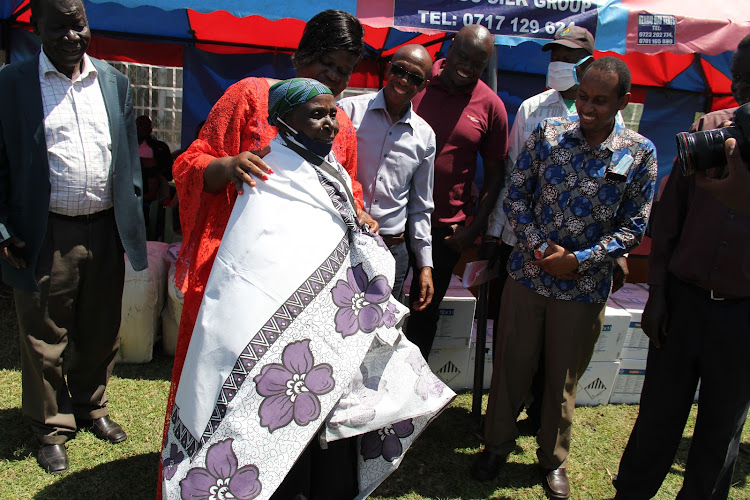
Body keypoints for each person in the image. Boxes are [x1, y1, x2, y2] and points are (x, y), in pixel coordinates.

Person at [160, 78, 452, 500]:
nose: (331, 124)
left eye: (333, 113)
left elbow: (335, 231)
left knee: (325, 439)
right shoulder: (268, 168)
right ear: (283, 119)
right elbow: (254, 258)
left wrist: (360, 224)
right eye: (317, 114)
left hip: (326, 334)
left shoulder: (328, 165)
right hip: (276, 328)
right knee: (277, 448)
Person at [160, 8, 376, 492]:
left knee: (294, 384)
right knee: (233, 383)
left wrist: (359, 214)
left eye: (345, 71)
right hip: (243, 279)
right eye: (327, 65)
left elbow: (348, 188)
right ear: (300, 55)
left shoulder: (338, 122)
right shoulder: (250, 97)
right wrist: (228, 165)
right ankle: (218, 474)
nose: (336, 80)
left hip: (308, 286)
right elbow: (192, 162)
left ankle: (289, 476)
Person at [473, 57, 657, 499]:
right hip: (528, 277)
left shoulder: (639, 152)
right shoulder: (548, 134)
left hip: (584, 287)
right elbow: (516, 197)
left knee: (562, 378)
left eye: (600, 101)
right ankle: (496, 445)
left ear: (623, 102)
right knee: (512, 366)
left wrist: (579, 259)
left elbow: (634, 226)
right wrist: (541, 250)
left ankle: (551, 459)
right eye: (582, 97)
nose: (587, 109)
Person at [0, 0, 147, 474]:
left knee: (101, 329)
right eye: (58, 26)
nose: (71, 36)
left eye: (78, 25)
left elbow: (126, 155)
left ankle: (90, 407)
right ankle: (51, 426)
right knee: (44, 335)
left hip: (105, 227)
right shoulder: (11, 83)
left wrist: (131, 206)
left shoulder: (113, 81)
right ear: (35, 26)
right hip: (45, 231)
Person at [614, 35, 750, 500]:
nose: (745, 91)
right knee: (657, 415)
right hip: (684, 304)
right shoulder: (711, 130)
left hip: (742, 317)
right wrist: (657, 295)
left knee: (720, 429)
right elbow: (669, 220)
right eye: (742, 79)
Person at [485, 25, 628, 434]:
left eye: (568, 58)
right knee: (516, 353)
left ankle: (544, 430)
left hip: (584, 273)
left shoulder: (629, 145)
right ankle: (500, 433)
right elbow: (515, 177)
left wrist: (590, 259)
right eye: (555, 56)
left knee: (561, 364)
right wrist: (505, 239)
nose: (558, 65)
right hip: (527, 255)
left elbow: (627, 214)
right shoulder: (535, 112)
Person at [407, 24, 509, 359]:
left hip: (445, 230)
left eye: (478, 63)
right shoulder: (415, 81)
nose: (467, 66)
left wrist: (474, 231)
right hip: (395, 220)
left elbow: (496, 176)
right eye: (462, 56)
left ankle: (412, 389)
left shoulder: (491, 106)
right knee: (382, 302)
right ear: (449, 48)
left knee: (425, 308)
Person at [338, 44, 436, 304]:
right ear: (389, 68)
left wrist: (425, 265)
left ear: (423, 85)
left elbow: (420, 206)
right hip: (343, 242)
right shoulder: (347, 112)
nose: (403, 80)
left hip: (391, 250)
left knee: (381, 334)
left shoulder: (424, 136)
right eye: (400, 70)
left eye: (414, 77)